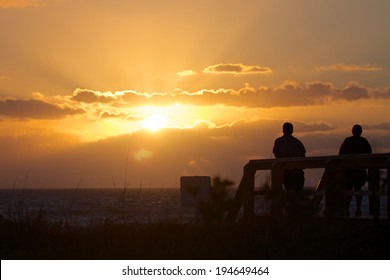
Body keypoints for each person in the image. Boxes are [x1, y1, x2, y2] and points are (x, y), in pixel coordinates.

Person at [339, 124, 372, 216]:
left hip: (350, 171)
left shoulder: (348, 141)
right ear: (361, 131)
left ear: (352, 131)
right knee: (358, 190)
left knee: (350, 191)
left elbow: (340, 154)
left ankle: (347, 210)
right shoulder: (364, 141)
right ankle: (357, 209)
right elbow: (369, 154)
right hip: (358, 171)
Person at [273, 122, 306, 192]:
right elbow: (303, 155)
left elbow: (276, 155)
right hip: (298, 173)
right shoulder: (297, 141)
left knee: (289, 194)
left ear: (283, 130)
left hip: (286, 172)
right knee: (298, 194)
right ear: (292, 130)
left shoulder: (278, 141)